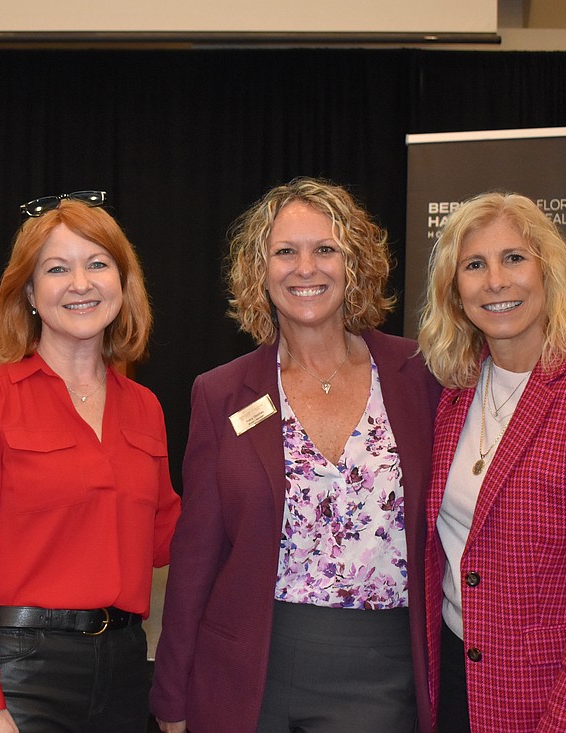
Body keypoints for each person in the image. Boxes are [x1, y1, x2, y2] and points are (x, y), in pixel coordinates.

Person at [150, 177, 441, 733]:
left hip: (383, 671)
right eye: (285, 251)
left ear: (354, 263)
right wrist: (171, 694)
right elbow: (196, 557)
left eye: (325, 249)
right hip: (249, 674)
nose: (305, 267)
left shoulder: (420, 376)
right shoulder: (221, 393)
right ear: (260, 272)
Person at [0, 191, 181, 733]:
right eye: (57, 268)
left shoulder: (145, 408)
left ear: (123, 282)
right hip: (19, 675)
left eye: (98, 264)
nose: (81, 283)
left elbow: (168, 537)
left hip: (122, 669)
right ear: (29, 291)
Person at [416, 191, 566, 732]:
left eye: (514, 258)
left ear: (549, 272)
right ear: (454, 292)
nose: (496, 281)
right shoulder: (455, 389)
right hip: (463, 680)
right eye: (474, 265)